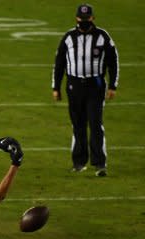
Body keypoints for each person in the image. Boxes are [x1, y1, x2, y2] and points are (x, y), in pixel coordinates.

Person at [52, 3, 119, 177]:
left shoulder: (102, 37)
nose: (83, 21)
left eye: (86, 18)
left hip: (95, 85)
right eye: (81, 19)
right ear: (77, 19)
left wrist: (113, 85)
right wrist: (56, 87)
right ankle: (79, 162)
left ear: (92, 18)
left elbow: (113, 62)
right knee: (78, 125)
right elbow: (59, 63)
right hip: (74, 85)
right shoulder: (68, 37)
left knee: (96, 124)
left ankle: (100, 164)